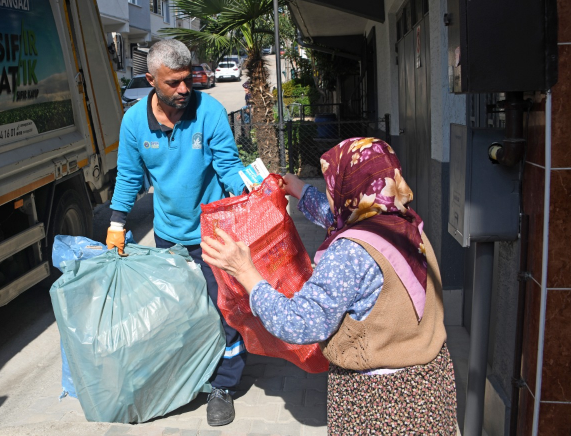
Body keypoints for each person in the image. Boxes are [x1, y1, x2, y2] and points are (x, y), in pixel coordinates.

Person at [201, 138, 458, 434]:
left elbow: (300, 324)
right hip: (429, 389)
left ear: (348, 187)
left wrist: (245, 271)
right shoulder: (405, 224)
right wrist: (300, 191)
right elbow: (340, 219)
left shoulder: (350, 253)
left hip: (381, 402)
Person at [105, 39, 248, 426]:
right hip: (168, 235)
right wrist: (117, 225)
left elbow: (228, 167)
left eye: (188, 80)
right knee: (182, 314)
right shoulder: (135, 122)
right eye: (174, 83)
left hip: (215, 233)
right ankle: (191, 379)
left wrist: (252, 196)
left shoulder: (210, 112)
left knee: (224, 310)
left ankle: (224, 386)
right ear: (151, 80)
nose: (185, 89)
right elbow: (129, 178)